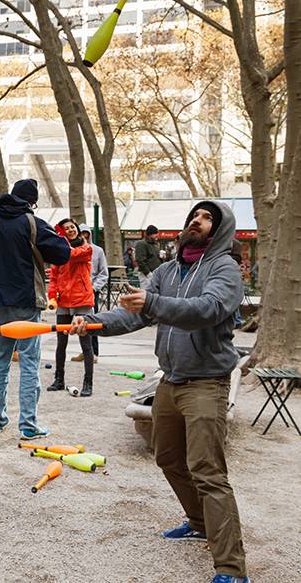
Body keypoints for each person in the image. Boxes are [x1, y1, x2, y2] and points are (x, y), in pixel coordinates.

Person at [69, 201, 248, 583]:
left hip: (206, 382)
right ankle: (198, 523)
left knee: (208, 472)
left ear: (219, 230)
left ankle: (232, 568)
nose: (197, 221)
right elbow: (136, 313)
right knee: (167, 457)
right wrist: (94, 322)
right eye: (195, 215)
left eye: (207, 218)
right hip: (171, 379)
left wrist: (152, 302)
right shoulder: (167, 271)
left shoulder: (224, 269)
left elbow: (207, 309)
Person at [0, 179, 70, 439]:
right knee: (29, 363)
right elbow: (62, 253)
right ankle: (28, 424)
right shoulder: (32, 223)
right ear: (31, 202)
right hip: (26, 300)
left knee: (0, 362)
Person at [46, 218, 95, 396]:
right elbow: (54, 276)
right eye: (66, 228)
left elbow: (72, 255)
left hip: (82, 300)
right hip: (64, 301)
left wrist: (59, 245)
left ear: (78, 229)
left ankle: (88, 383)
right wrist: (52, 296)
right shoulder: (59, 253)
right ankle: (59, 379)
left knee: (86, 344)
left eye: (72, 227)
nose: (70, 230)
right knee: (61, 343)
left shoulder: (86, 248)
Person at [73, 224, 108, 362]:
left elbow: (103, 273)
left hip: (91, 291)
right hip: (76, 292)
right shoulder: (73, 250)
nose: (84, 237)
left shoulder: (98, 251)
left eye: (86, 234)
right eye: (81, 234)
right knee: (78, 323)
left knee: (91, 322)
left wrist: (94, 288)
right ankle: (85, 351)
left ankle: (94, 352)